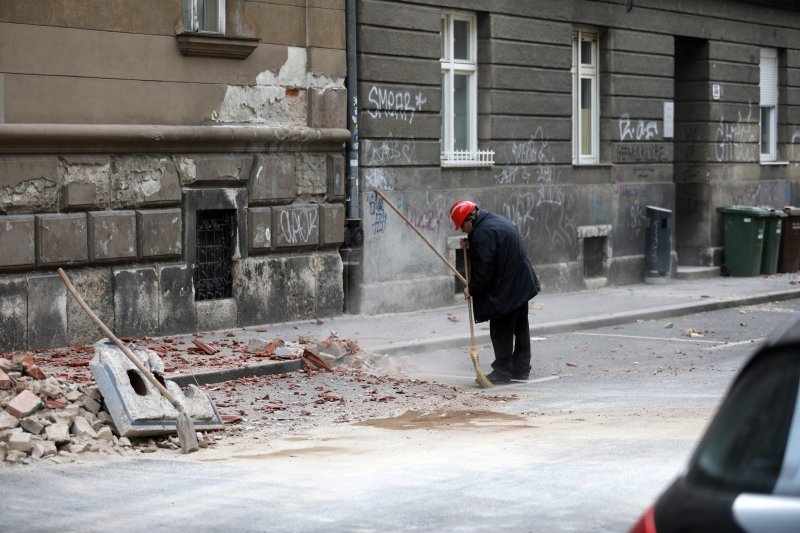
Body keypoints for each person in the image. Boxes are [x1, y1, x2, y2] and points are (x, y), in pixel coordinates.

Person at [449, 200, 540, 385]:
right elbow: (492, 247)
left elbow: (485, 270)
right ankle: (521, 369)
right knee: (520, 328)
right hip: (520, 283)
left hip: (506, 289)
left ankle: (502, 372)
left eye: (462, 226)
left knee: (501, 331)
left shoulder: (483, 234)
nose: (462, 230)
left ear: (469, 219)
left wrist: (471, 289)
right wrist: (471, 243)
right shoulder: (492, 222)